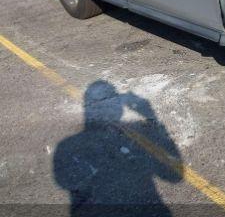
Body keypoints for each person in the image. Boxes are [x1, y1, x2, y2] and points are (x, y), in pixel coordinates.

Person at [53, 81, 183, 216]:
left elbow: (64, 182)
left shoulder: (67, 145)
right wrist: (151, 115)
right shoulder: (69, 146)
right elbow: (174, 176)